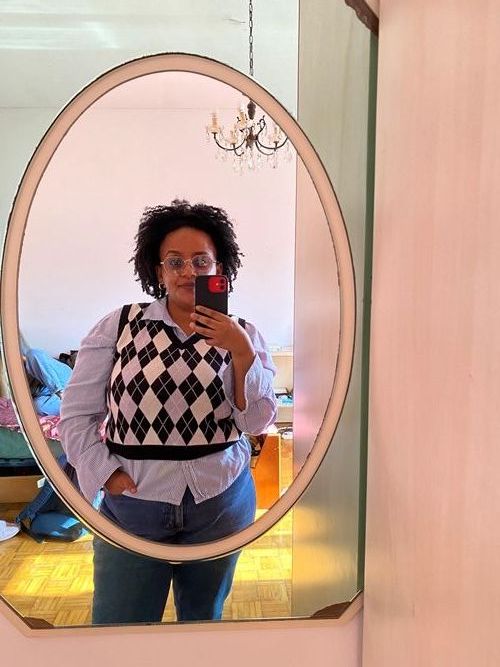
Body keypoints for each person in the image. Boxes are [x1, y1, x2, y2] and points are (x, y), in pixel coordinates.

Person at [59, 200, 277, 624]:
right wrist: (105, 474)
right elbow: (76, 414)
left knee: (201, 624)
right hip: (134, 503)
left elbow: (256, 422)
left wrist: (241, 352)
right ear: (158, 271)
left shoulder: (245, 334)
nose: (188, 271)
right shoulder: (120, 325)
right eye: (175, 262)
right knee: (120, 627)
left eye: (201, 261)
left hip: (220, 503)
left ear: (220, 269)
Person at [20, 335, 72, 416]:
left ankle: (60, 392)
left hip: (62, 389)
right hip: (59, 383)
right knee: (33, 354)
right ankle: (61, 392)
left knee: (37, 406)